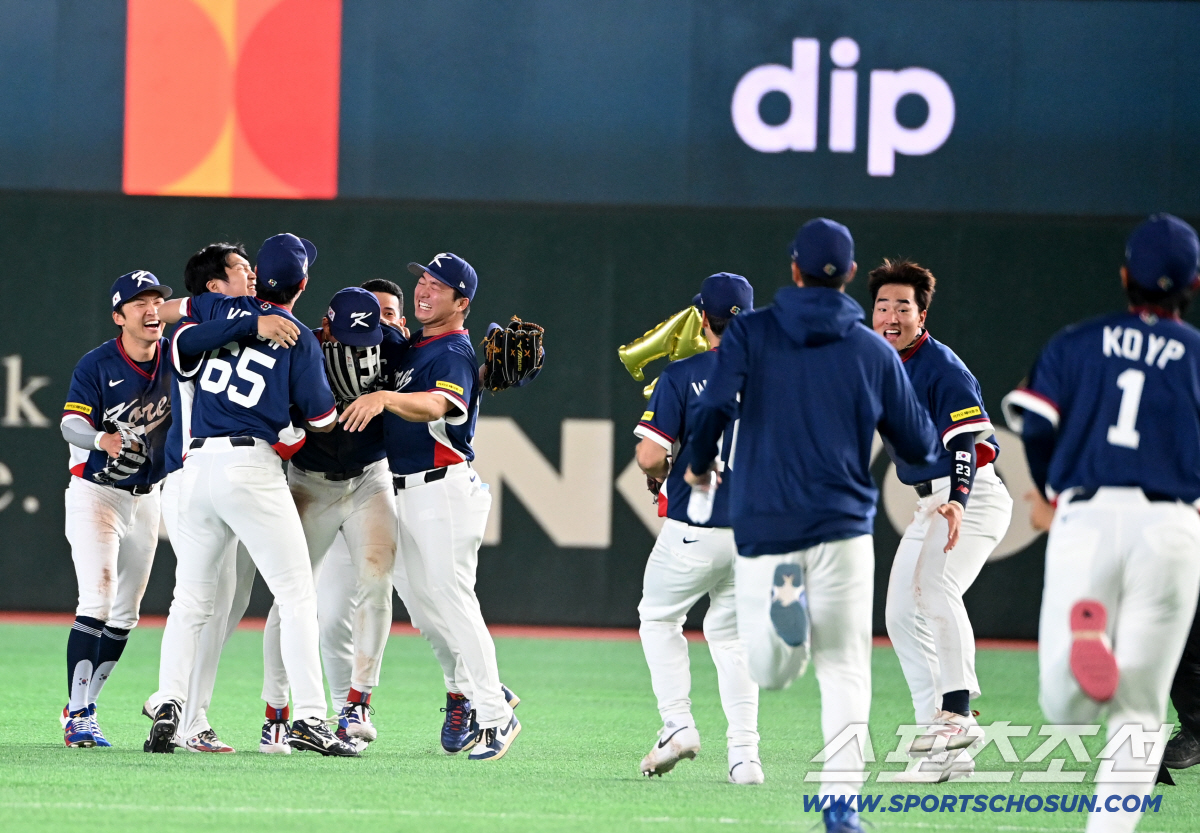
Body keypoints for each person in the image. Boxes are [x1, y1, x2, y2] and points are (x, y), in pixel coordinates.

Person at [684, 219, 938, 833]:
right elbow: (919, 443)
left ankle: (785, 612)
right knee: (847, 665)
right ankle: (841, 805)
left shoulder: (750, 331)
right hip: (843, 522)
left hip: (768, 519)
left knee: (771, 670)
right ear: (850, 276)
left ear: (794, 269)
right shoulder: (874, 350)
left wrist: (696, 463)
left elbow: (715, 404)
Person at [1002, 214, 1200, 832]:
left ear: (1123, 276)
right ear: (1192, 284)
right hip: (1172, 527)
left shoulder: (1076, 341)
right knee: (1140, 712)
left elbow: (1033, 423)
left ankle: (1088, 650)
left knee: (1064, 710)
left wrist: (1052, 486)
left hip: (1087, 517)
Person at [143, 233, 358, 757]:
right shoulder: (299, 337)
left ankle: (171, 700)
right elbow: (324, 418)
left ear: (262, 275)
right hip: (248, 466)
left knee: (190, 600)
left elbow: (178, 331)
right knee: (295, 594)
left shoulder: (219, 306)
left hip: (196, 469)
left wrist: (244, 320)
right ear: (303, 284)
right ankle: (308, 716)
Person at [340, 252, 520, 761]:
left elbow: (438, 405)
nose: (423, 289)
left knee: (452, 600)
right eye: (422, 279)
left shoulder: (452, 352)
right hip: (405, 491)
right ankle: (484, 688)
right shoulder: (419, 345)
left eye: (438, 286)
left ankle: (496, 715)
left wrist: (385, 400)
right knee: (425, 609)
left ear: (461, 303)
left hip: (442, 489)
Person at [150, 242, 299, 753]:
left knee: (221, 601)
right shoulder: (200, 326)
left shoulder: (237, 320)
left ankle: (177, 703)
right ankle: (188, 713)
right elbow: (178, 321)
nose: (252, 274)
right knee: (205, 601)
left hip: (212, 477)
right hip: (194, 474)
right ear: (214, 287)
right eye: (240, 269)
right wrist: (252, 324)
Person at [869, 258, 1013, 783]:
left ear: (922, 312)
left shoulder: (941, 366)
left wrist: (957, 498)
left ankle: (956, 712)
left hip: (971, 495)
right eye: (882, 305)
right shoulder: (881, 365)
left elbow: (967, 444)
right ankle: (945, 749)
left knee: (934, 586)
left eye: (902, 306)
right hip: (930, 501)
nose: (890, 315)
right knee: (900, 613)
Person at [633, 273, 765, 784]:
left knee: (659, 618)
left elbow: (649, 454)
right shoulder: (776, 377)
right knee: (732, 640)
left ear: (702, 318)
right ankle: (745, 757)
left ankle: (678, 724)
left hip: (697, 524)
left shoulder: (683, 374)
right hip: (755, 532)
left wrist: (663, 475)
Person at [259, 287, 400, 751]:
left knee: (378, 582)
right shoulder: (302, 345)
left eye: (368, 335)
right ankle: (275, 709)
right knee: (290, 596)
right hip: (310, 482)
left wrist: (480, 373)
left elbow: (437, 381)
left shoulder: (395, 345)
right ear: (327, 323)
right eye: (345, 335)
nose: (358, 345)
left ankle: (357, 701)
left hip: (369, 479)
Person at [58, 271, 174, 747]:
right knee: (98, 601)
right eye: (139, 303)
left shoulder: (178, 356)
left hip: (146, 497)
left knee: (126, 613)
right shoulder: (98, 363)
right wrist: (101, 437)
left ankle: (85, 703)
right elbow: (69, 424)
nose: (151, 311)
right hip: (96, 492)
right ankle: (79, 714)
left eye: (157, 302)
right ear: (118, 315)